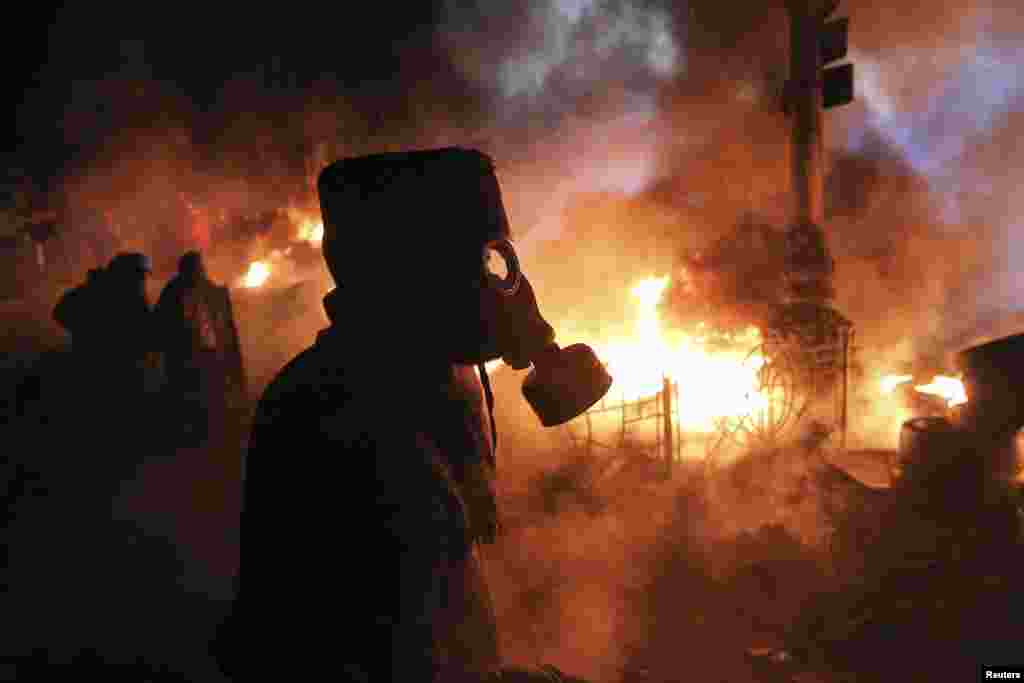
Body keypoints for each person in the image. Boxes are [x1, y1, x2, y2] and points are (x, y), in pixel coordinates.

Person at [213, 149, 599, 682]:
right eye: (483, 260)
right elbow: (386, 650)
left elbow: (447, 615)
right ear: (410, 273)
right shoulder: (335, 412)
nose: (504, 287)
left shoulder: (438, 380)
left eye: (500, 259)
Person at [154, 250, 246, 446]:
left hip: (210, 355)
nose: (199, 272)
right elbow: (161, 327)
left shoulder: (209, 291)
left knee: (213, 396)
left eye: (199, 268)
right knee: (193, 399)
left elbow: (225, 326)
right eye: (195, 269)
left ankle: (215, 434)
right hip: (187, 359)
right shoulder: (173, 293)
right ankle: (198, 436)